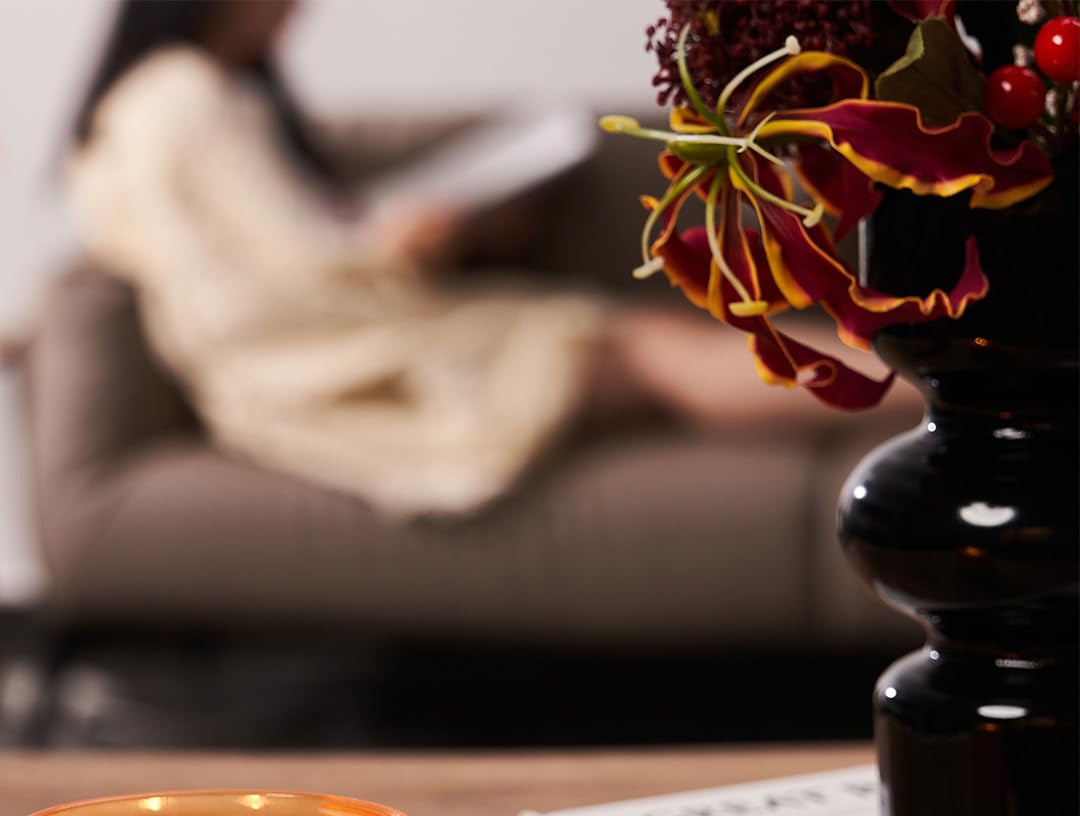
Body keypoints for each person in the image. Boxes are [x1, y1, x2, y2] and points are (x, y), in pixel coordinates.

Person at [64, 0, 842, 518]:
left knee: (653, 342)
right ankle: (933, 394)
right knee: (655, 351)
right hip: (324, 359)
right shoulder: (183, 98)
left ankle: (923, 390)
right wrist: (394, 248)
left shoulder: (202, 95)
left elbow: (284, 237)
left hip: (350, 326)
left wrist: (427, 237)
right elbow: (279, 275)